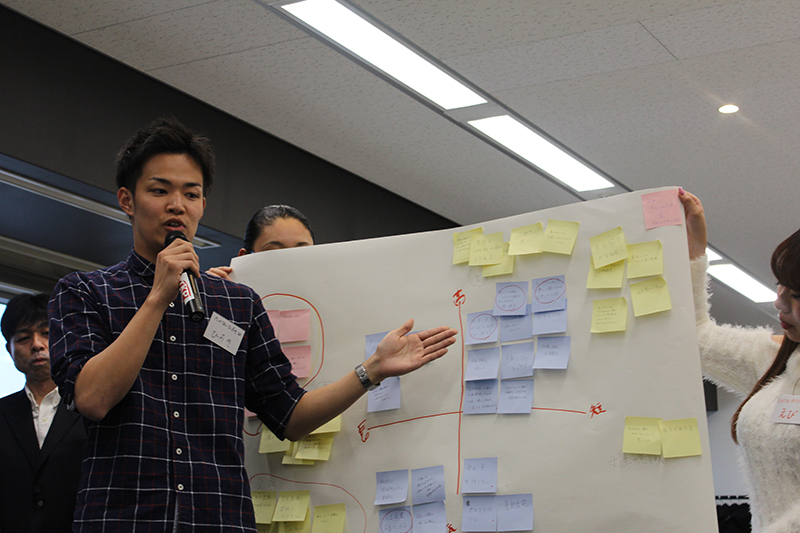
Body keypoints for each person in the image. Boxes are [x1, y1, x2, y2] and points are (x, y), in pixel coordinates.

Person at [48, 117, 457, 532]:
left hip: (219, 520)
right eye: (159, 190)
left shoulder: (238, 303)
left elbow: (291, 416)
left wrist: (372, 370)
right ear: (127, 200)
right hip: (124, 520)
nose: (177, 205)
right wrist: (157, 298)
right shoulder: (84, 292)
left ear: (202, 205)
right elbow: (93, 399)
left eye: (191, 193)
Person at [680, 188, 800, 533]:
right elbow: (694, 337)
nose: (779, 302)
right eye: (779, 285)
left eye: (796, 294)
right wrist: (694, 250)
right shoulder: (779, 360)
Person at [0, 293, 86, 533]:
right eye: (23, 338)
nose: (37, 344)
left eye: (46, 333)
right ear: (9, 349)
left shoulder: (92, 407)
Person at [207, 204, 314, 281]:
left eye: (303, 252)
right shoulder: (224, 298)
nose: (291, 265)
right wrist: (205, 295)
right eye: (275, 253)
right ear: (244, 257)